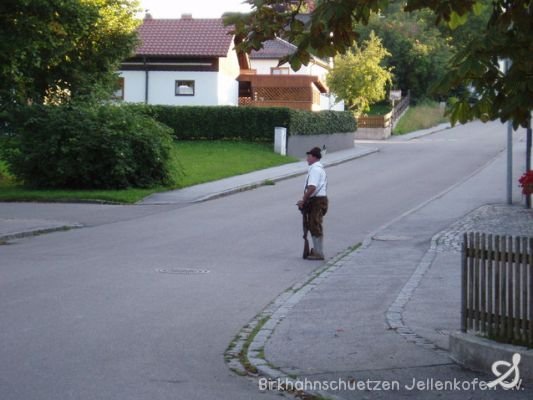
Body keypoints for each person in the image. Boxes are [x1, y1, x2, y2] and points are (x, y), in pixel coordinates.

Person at [297, 147, 328, 260]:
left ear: (314, 157)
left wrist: (303, 200)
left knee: (314, 224)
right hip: (318, 200)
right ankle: (316, 250)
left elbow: (312, 187)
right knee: (313, 224)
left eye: (308, 156)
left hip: (317, 200)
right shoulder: (317, 168)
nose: (307, 159)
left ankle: (319, 252)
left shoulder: (315, 169)